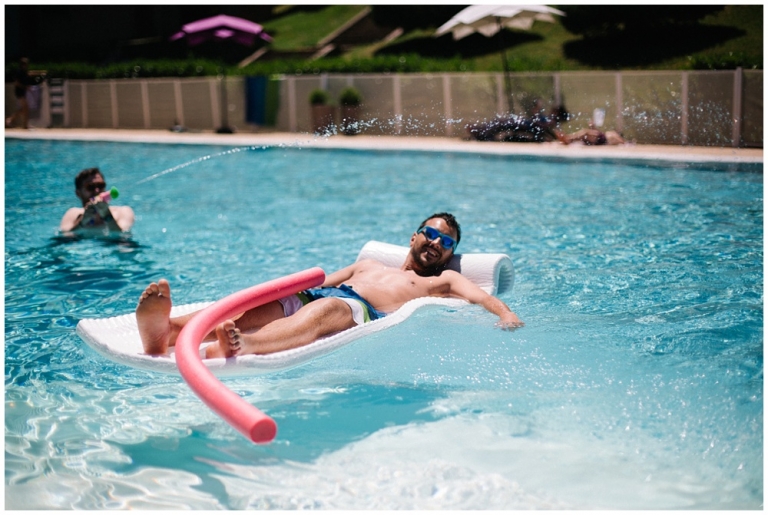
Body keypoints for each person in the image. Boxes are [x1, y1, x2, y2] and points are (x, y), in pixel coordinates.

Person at [135, 213, 524, 358]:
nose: (438, 244)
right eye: (431, 234)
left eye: (448, 243)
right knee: (261, 305)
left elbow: (481, 296)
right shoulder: (367, 262)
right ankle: (167, 333)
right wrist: (279, 291)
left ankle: (243, 345)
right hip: (317, 294)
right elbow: (322, 283)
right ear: (414, 236)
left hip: (356, 310)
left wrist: (505, 314)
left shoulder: (443, 280)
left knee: (329, 310)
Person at [59, 168, 135, 232]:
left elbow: (122, 235)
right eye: (90, 187)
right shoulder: (73, 213)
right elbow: (64, 236)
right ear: (78, 193)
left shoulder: (123, 211)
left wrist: (106, 214)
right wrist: (82, 221)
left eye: (100, 185)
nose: (97, 191)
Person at [6, 58, 31, 129]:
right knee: (25, 108)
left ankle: (11, 120)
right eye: (25, 64)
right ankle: (24, 125)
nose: (26, 65)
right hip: (19, 92)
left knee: (24, 108)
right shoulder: (19, 72)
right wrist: (24, 87)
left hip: (22, 92)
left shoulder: (24, 72)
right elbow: (16, 83)